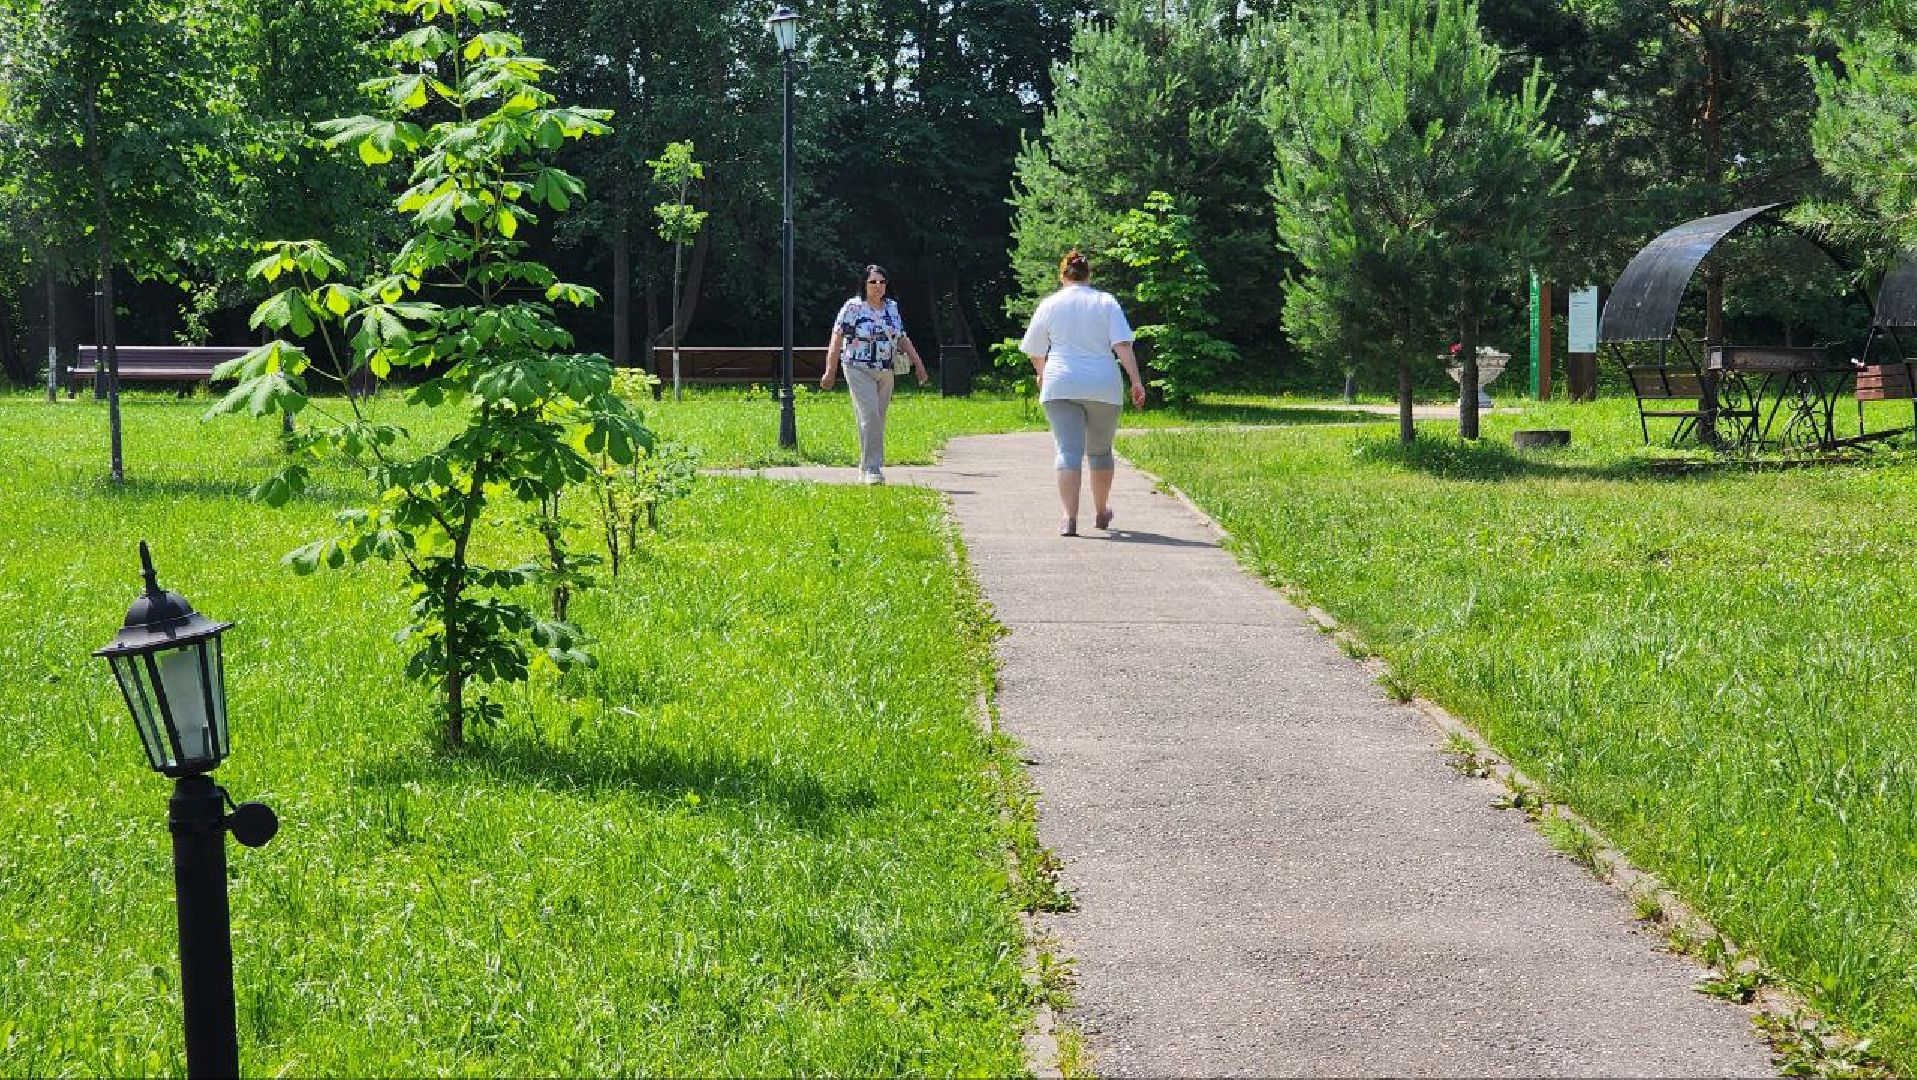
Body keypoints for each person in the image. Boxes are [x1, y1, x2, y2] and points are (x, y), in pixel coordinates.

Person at [1020, 249, 1147, 536]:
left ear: (1062, 275)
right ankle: (1101, 512)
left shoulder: (1050, 304)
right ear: (1089, 275)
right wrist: (1136, 381)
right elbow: (1123, 346)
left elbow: (1035, 349)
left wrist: (1042, 373)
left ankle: (1069, 518)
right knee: (1100, 451)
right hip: (1102, 384)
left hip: (1061, 383)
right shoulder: (1106, 302)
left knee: (1067, 450)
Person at [820, 264, 928, 484]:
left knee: (877, 418)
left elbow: (901, 337)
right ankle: (873, 469)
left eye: (882, 282)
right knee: (870, 416)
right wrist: (830, 371)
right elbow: (837, 338)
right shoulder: (853, 307)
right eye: (873, 282)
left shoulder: (892, 308)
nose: (878, 286)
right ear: (864, 284)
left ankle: (864, 466)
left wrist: (919, 364)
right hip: (857, 367)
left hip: (885, 370)